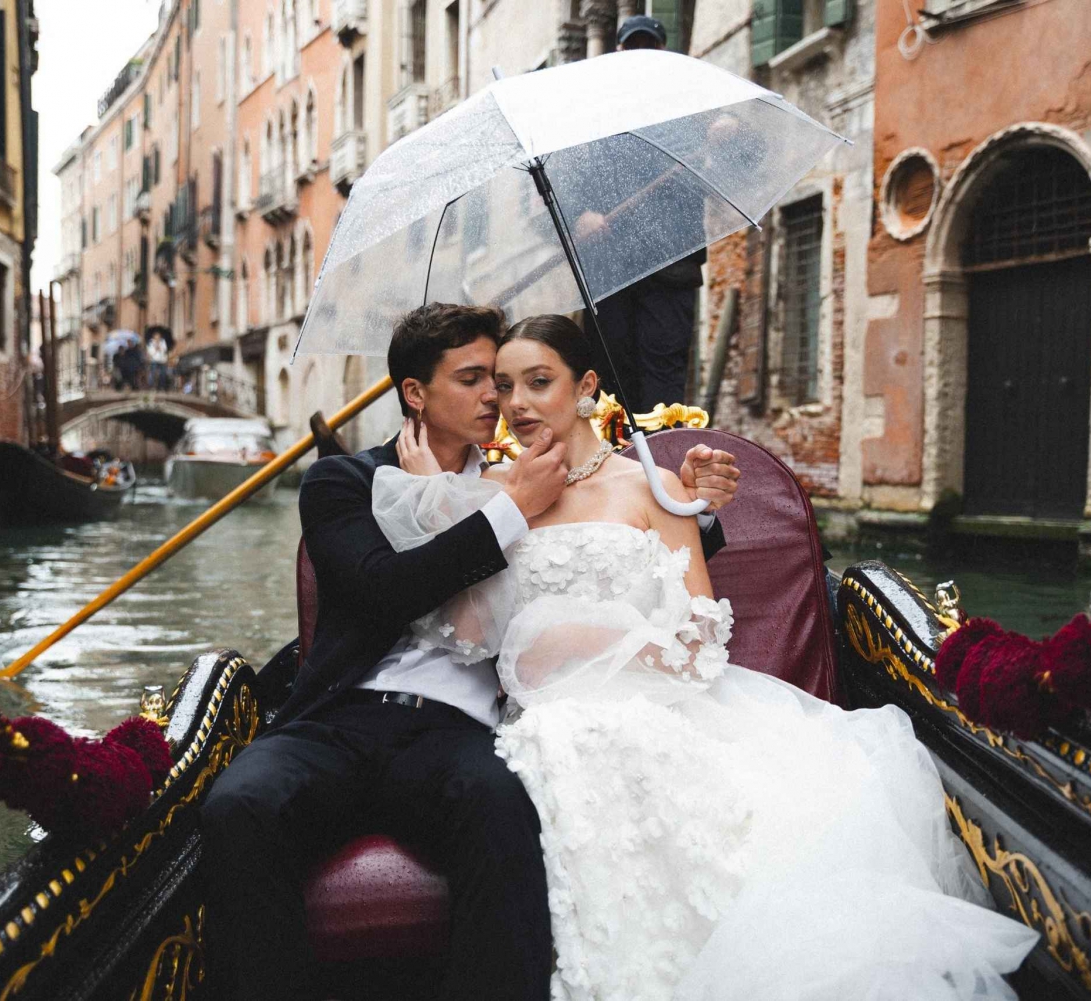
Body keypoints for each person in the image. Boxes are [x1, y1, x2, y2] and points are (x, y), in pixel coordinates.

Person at [375, 313, 1042, 1001]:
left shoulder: (656, 489)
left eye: (539, 382)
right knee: (553, 744)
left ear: (587, 388)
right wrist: (445, 508)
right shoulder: (497, 493)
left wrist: (588, 635)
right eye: (505, 385)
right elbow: (463, 635)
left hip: (654, 706)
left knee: (600, 745)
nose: (515, 404)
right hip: (537, 717)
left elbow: (699, 645)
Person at [200, 303, 741, 1001]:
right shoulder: (345, 482)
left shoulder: (524, 480)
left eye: (508, 380)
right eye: (477, 378)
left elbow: (617, 550)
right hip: (339, 718)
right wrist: (475, 504)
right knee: (237, 803)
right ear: (415, 395)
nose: (499, 397)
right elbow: (381, 590)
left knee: (501, 808)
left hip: (457, 729)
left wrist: (695, 498)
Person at [574, 14, 708, 414]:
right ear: (619, 52)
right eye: (632, 48)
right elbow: (557, 193)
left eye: (647, 48)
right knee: (609, 377)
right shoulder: (591, 116)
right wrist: (580, 217)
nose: (639, 55)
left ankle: (661, 468)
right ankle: (615, 467)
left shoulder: (692, 109)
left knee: (664, 379)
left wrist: (728, 127)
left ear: (661, 52)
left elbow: (747, 157)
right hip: (609, 273)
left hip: (670, 270)